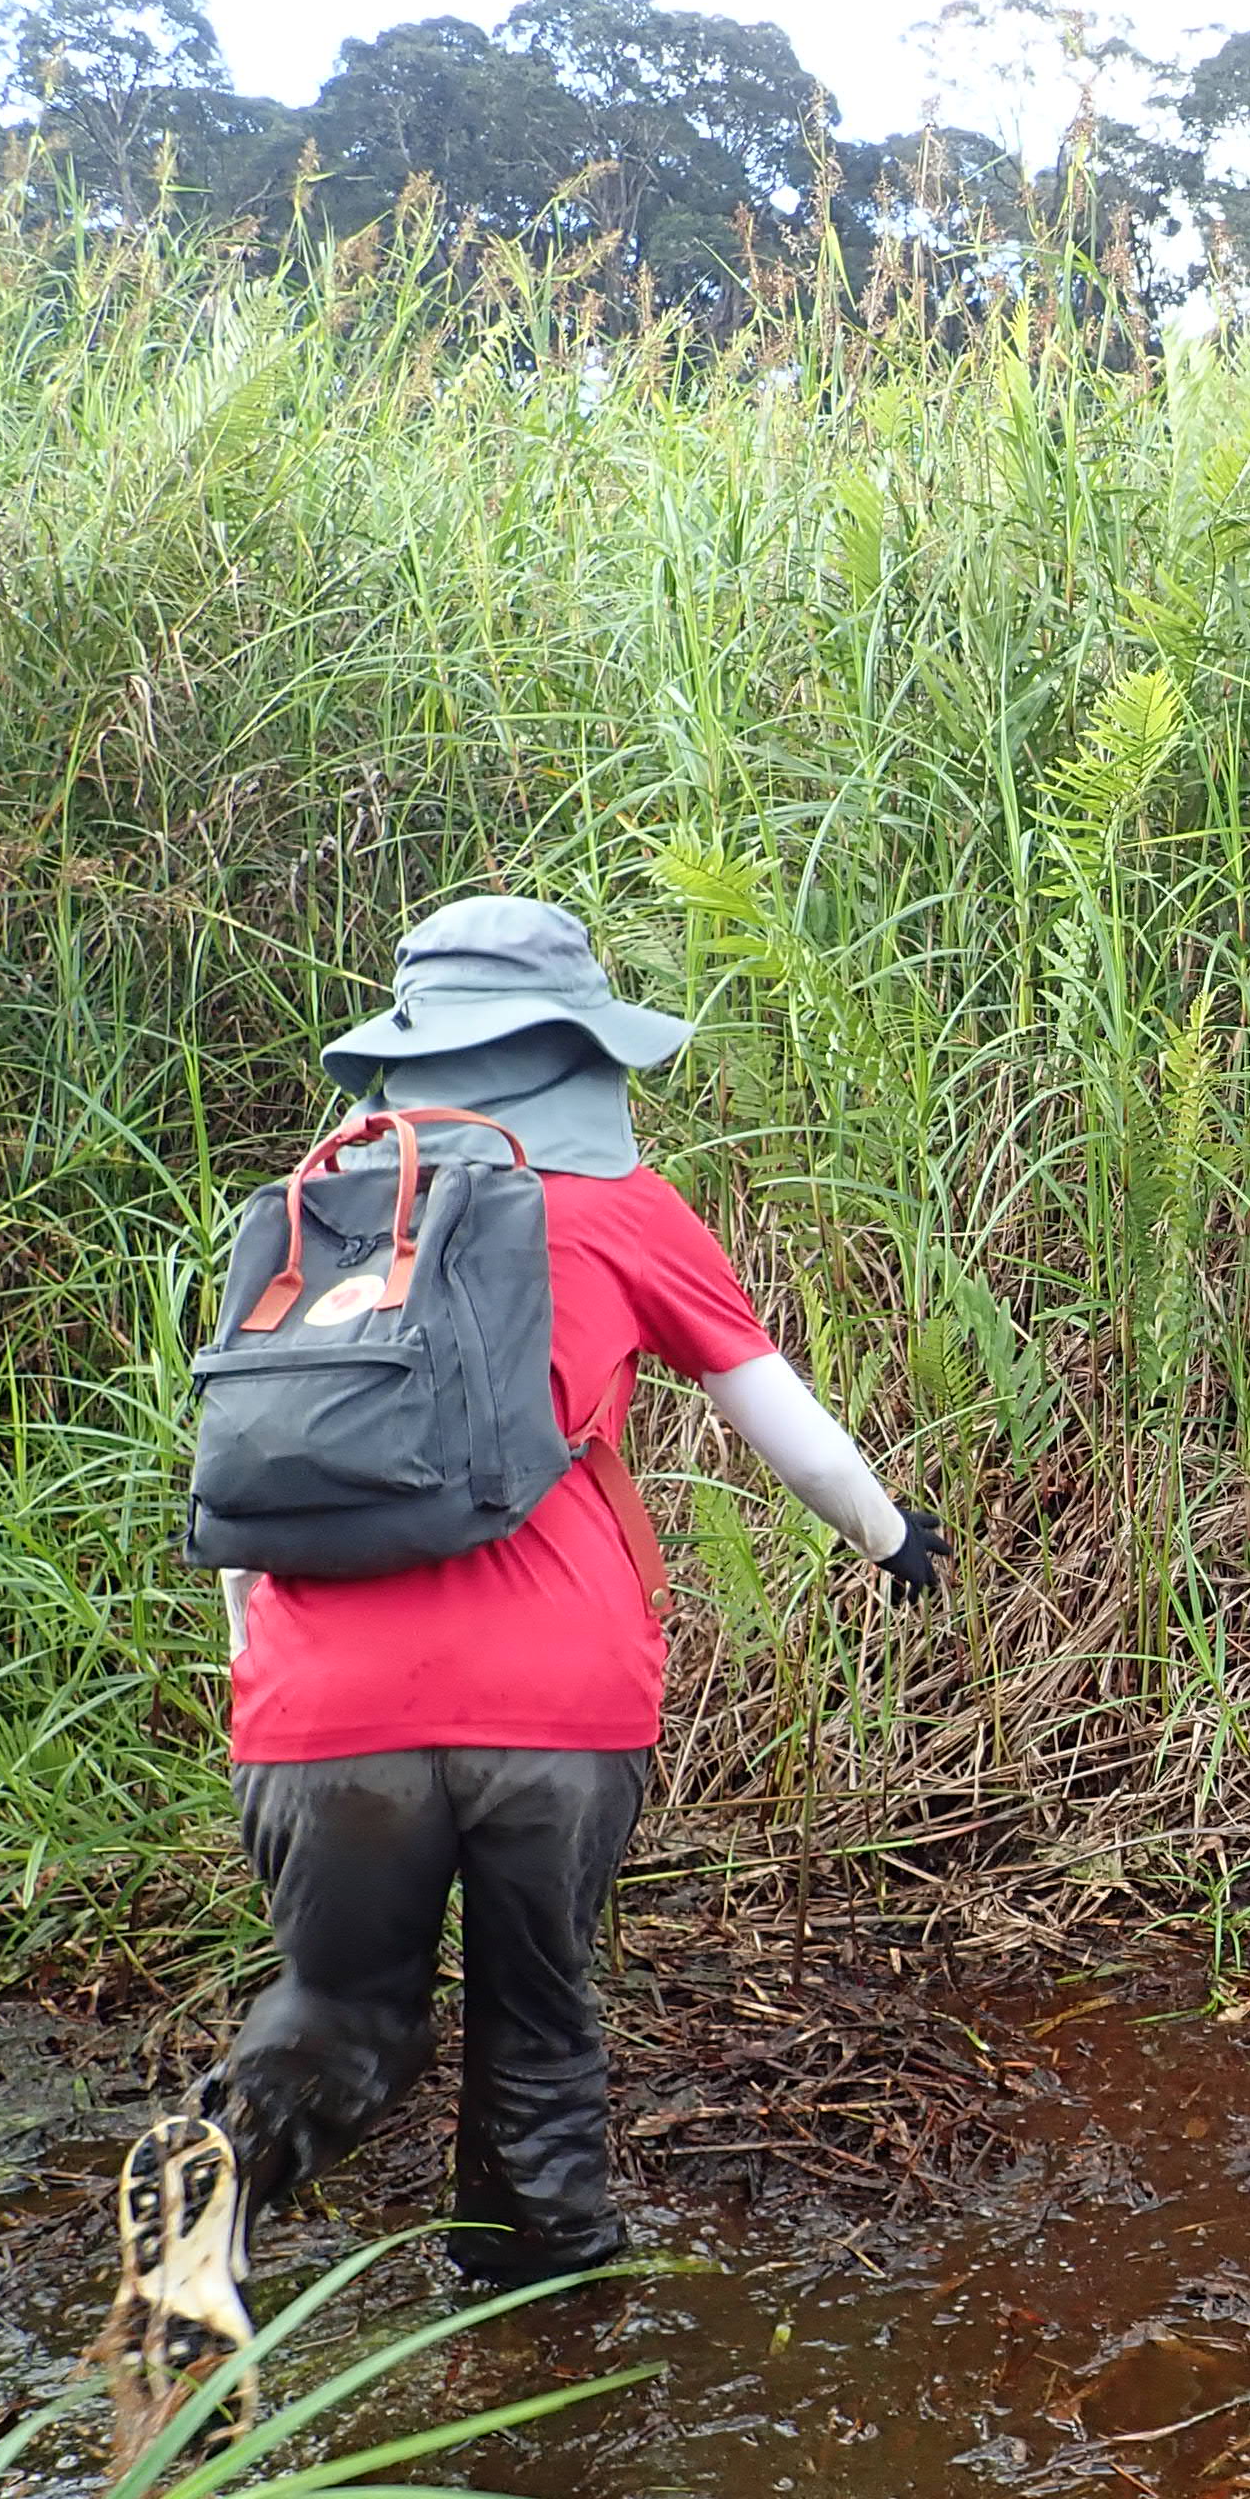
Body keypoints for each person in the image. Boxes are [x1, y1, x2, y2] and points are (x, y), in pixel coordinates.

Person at [202, 896, 943, 2286]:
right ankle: (542, 2321)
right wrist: (891, 1535)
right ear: (578, 1051)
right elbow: (788, 1430)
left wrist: (267, 1666)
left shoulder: (313, 1208)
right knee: (535, 2029)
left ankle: (227, 2162)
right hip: (555, 1701)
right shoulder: (625, 1207)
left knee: (345, 2014)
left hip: (320, 1708)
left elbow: (251, 1478)